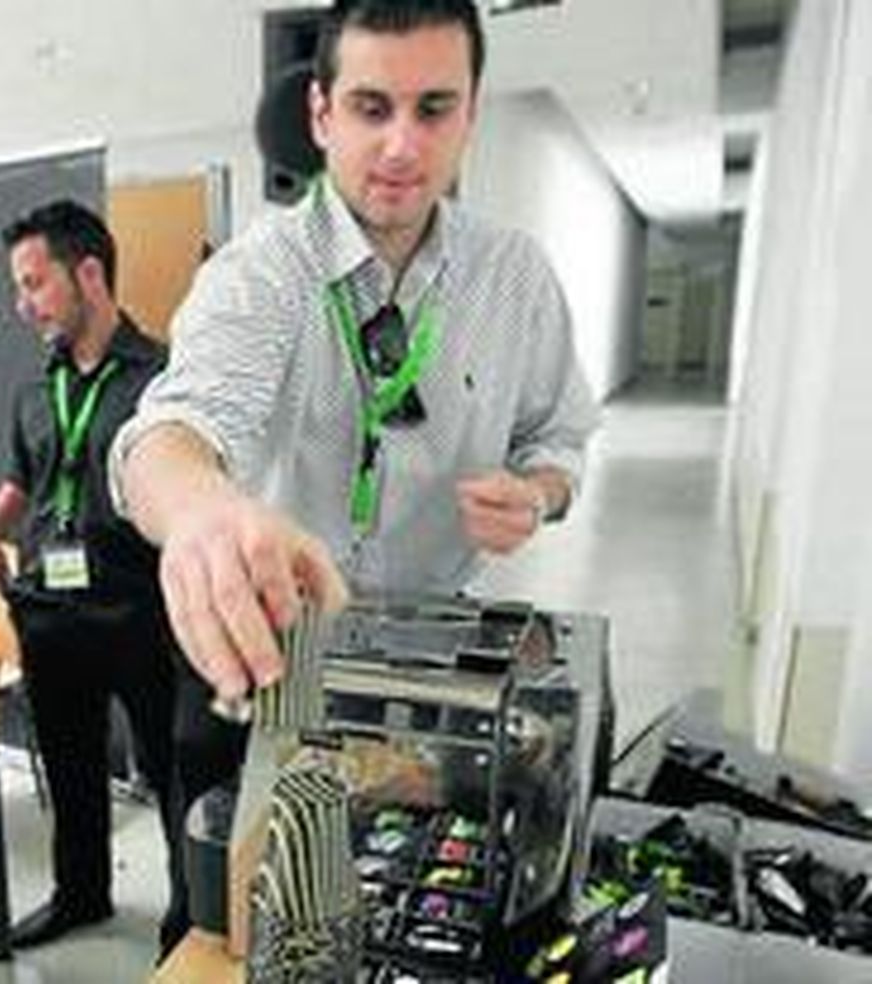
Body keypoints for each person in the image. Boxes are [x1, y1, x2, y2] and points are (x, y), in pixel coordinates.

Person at [110, 0, 602, 832]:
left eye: (433, 109)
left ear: (471, 114)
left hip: (430, 653)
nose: (402, 146)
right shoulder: (259, 276)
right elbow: (170, 433)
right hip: (268, 649)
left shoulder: (516, 277)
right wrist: (201, 513)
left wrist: (540, 492)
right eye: (372, 108)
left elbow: (560, 436)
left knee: (405, 894)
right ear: (322, 115)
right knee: (230, 915)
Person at [0, 200, 189, 953]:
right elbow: (27, 476)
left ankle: (187, 918)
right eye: (20, 287)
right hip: (50, 613)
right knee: (69, 767)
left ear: (88, 273)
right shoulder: (37, 388)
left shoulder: (166, 382)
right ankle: (82, 893)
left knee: (170, 772)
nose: (23, 304)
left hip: (143, 611)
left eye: (34, 284)